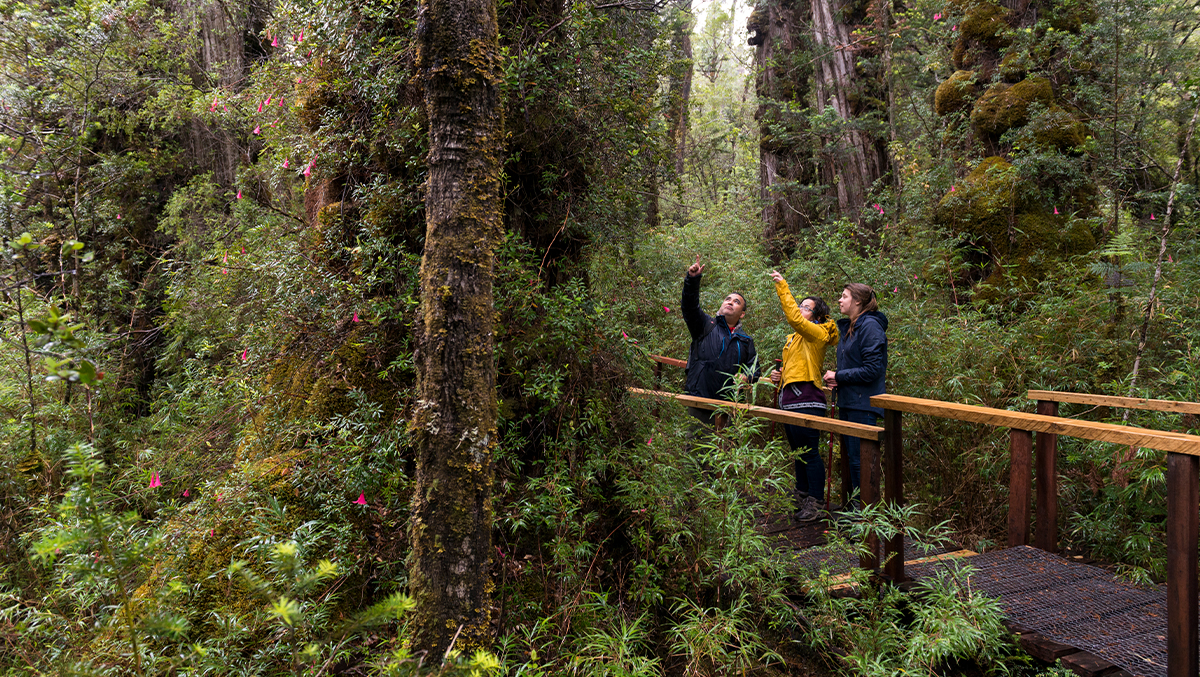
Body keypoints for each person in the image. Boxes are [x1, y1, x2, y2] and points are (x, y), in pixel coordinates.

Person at [766, 271, 838, 522]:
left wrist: (782, 286)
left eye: (805, 307)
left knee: (809, 452)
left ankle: (816, 501)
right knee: (797, 451)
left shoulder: (816, 333)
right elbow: (799, 365)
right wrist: (781, 376)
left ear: (817, 317)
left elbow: (795, 319)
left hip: (807, 398)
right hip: (791, 397)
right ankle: (802, 493)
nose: (800, 309)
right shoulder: (797, 339)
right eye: (800, 306)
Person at [823, 283, 888, 506]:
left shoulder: (870, 326)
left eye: (844, 296)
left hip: (863, 405)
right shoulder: (851, 327)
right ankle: (856, 515)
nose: (840, 300)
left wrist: (839, 376)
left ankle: (866, 522)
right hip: (850, 402)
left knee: (862, 464)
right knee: (853, 461)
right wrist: (837, 380)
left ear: (858, 301)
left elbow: (873, 369)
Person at [681, 254, 759, 426]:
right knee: (695, 447)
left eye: (736, 302)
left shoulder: (745, 340)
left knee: (726, 449)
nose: (730, 302)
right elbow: (689, 306)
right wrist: (692, 280)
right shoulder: (705, 325)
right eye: (728, 299)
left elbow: (755, 370)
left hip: (729, 406)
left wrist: (746, 377)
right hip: (700, 399)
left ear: (742, 314)